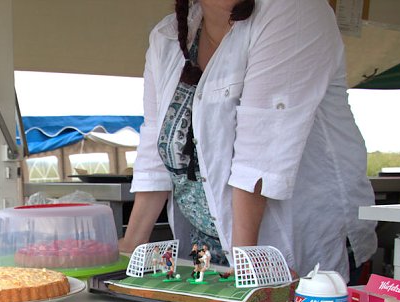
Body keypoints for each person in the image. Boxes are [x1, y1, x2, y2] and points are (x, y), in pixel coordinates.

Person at [118, 0, 377, 284]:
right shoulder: (166, 37)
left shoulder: (295, 9)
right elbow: (156, 148)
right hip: (209, 258)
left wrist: (247, 262)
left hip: (291, 249)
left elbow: (260, 151)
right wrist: (132, 247)